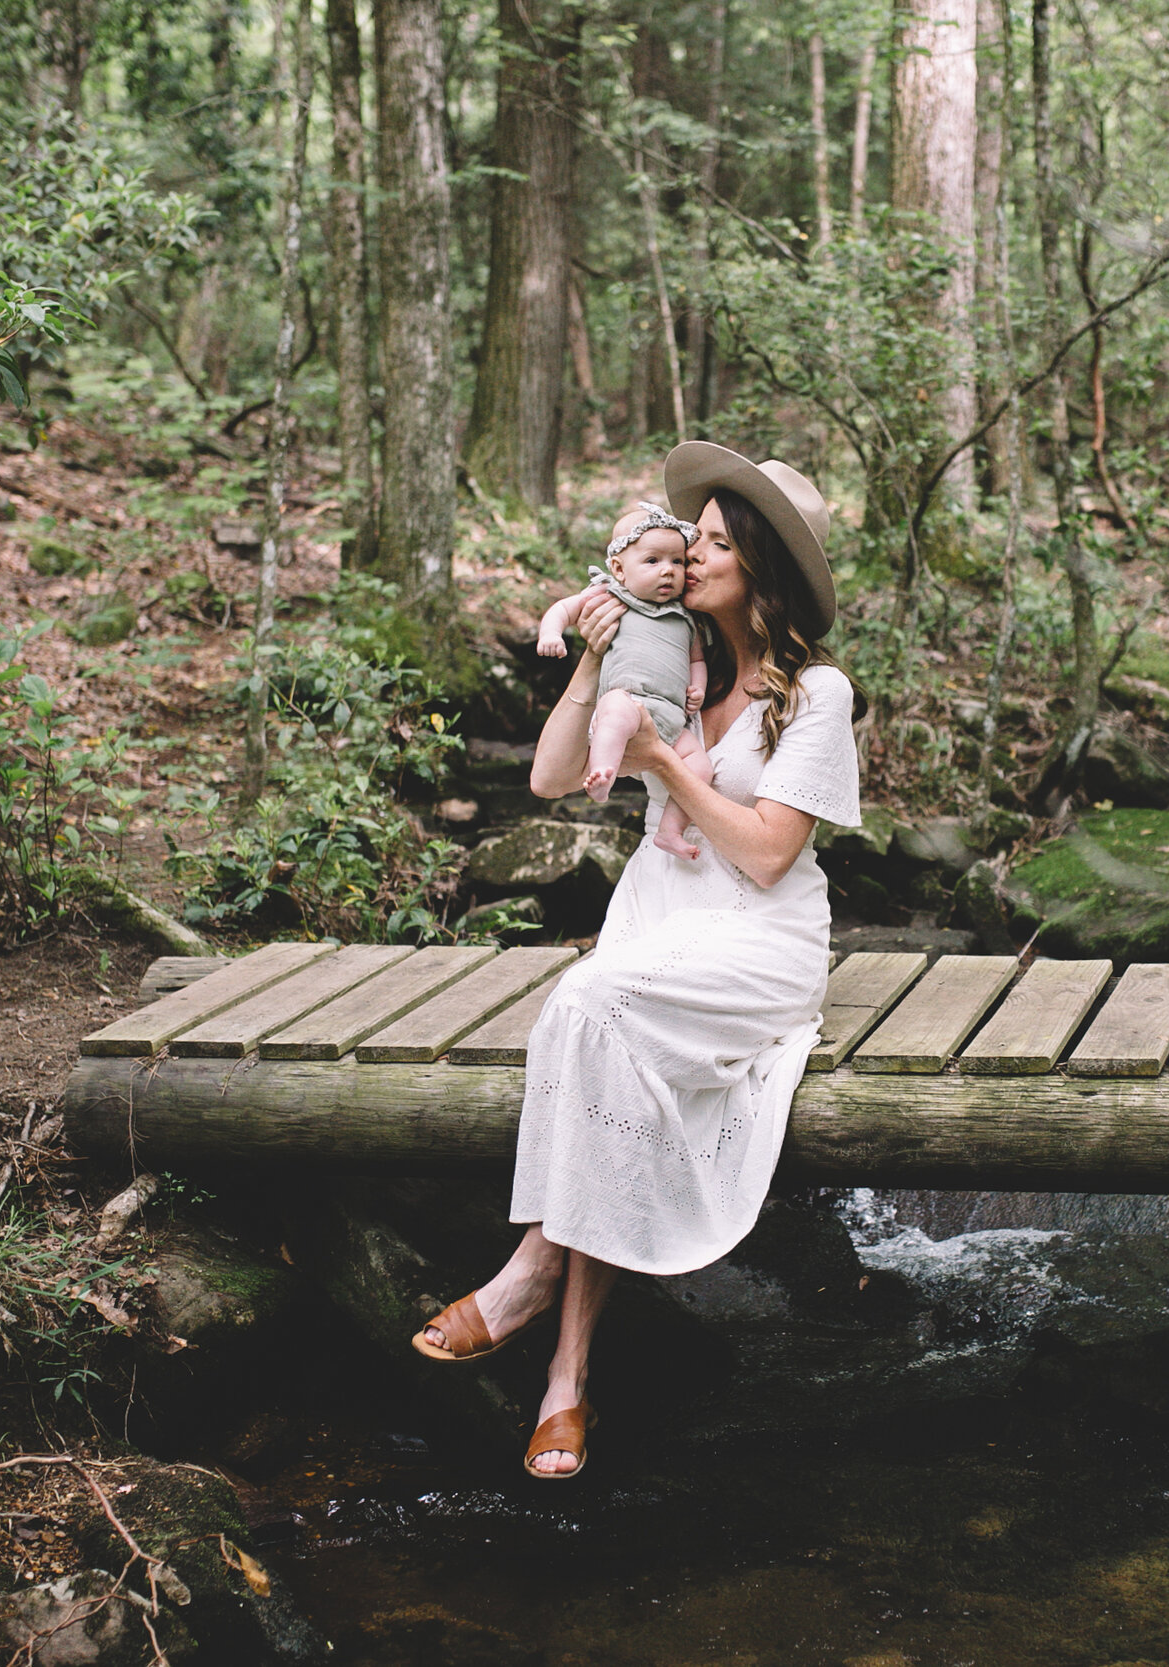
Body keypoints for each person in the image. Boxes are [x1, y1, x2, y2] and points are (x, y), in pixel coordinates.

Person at [410, 443, 864, 1481]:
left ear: (758, 561)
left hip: (756, 937)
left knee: (589, 1000)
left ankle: (527, 1273)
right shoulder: (667, 656)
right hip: (655, 916)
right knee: (596, 1020)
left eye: (709, 540)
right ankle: (567, 1380)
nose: (685, 553)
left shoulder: (817, 692)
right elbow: (552, 776)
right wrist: (591, 658)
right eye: (689, 537)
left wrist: (660, 761)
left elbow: (762, 851)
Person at [534, 501, 714, 860]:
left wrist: (698, 688)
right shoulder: (610, 596)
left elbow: (696, 659)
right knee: (614, 714)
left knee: (701, 766)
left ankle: (670, 830)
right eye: (653, 561)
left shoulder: (685, 618)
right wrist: (551, 633)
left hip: (671, 717)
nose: (669, 571)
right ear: (618, 569)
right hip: (628, 699)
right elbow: (563, 609)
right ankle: (604, 773)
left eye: (677, 561)